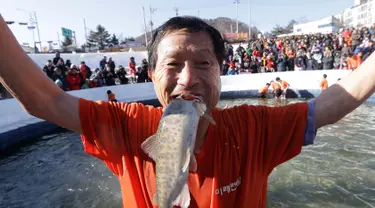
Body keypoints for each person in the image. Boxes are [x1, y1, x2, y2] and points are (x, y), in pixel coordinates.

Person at [1, 15, 375, 208]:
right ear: (150, 76)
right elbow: (44, 101)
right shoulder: (128, 124)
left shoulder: (253, 125)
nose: (188, 79)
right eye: (173, 65)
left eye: (204, 64)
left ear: (221, 72)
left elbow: (331, 105)